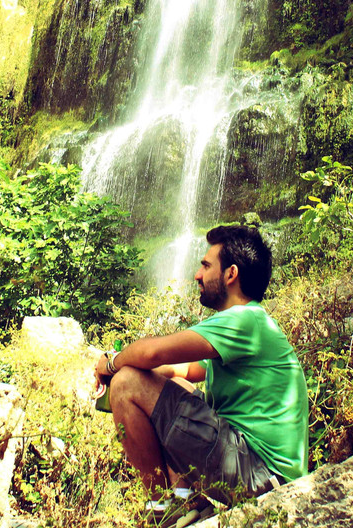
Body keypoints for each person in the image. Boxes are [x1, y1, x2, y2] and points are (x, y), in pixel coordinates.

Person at [95, 225, 308, 525]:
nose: (197, 275)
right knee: (172, 384)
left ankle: (162, 507)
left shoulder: (244, 320)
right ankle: (187, 500)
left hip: (262, 475)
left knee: (126, 384)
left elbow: (153, 353)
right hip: (256, 469)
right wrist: (132, 368)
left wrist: (112, 365)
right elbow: (181, 370)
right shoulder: (250, 327)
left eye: (206, 266)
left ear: (231, 274)